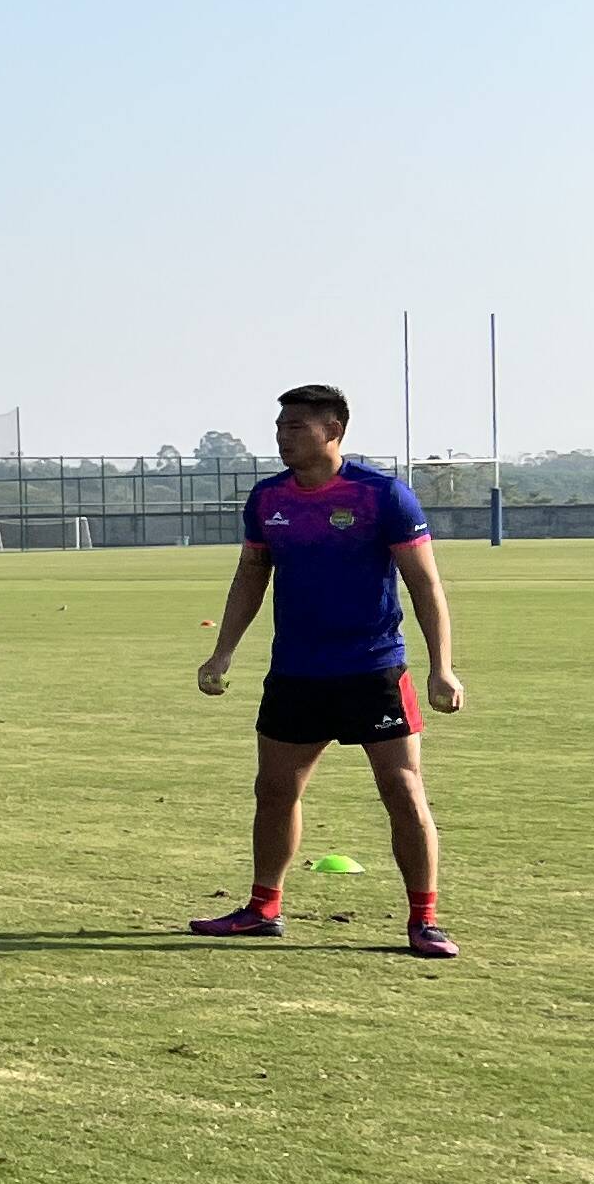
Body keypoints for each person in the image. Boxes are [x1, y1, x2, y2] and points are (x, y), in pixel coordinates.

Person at [189, 383, 462, 959]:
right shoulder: (267, 500)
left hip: (374, 669)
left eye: (296, 427)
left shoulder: (383, 496)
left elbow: (425, 585)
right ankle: (263, 909)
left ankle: (424, 919)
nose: (283, 436)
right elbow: (250, 577)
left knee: (403, 789)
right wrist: (223, 653)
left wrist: (443, 668)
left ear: (333, 432)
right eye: (280, 426)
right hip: (296, 672)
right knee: (275, 790)